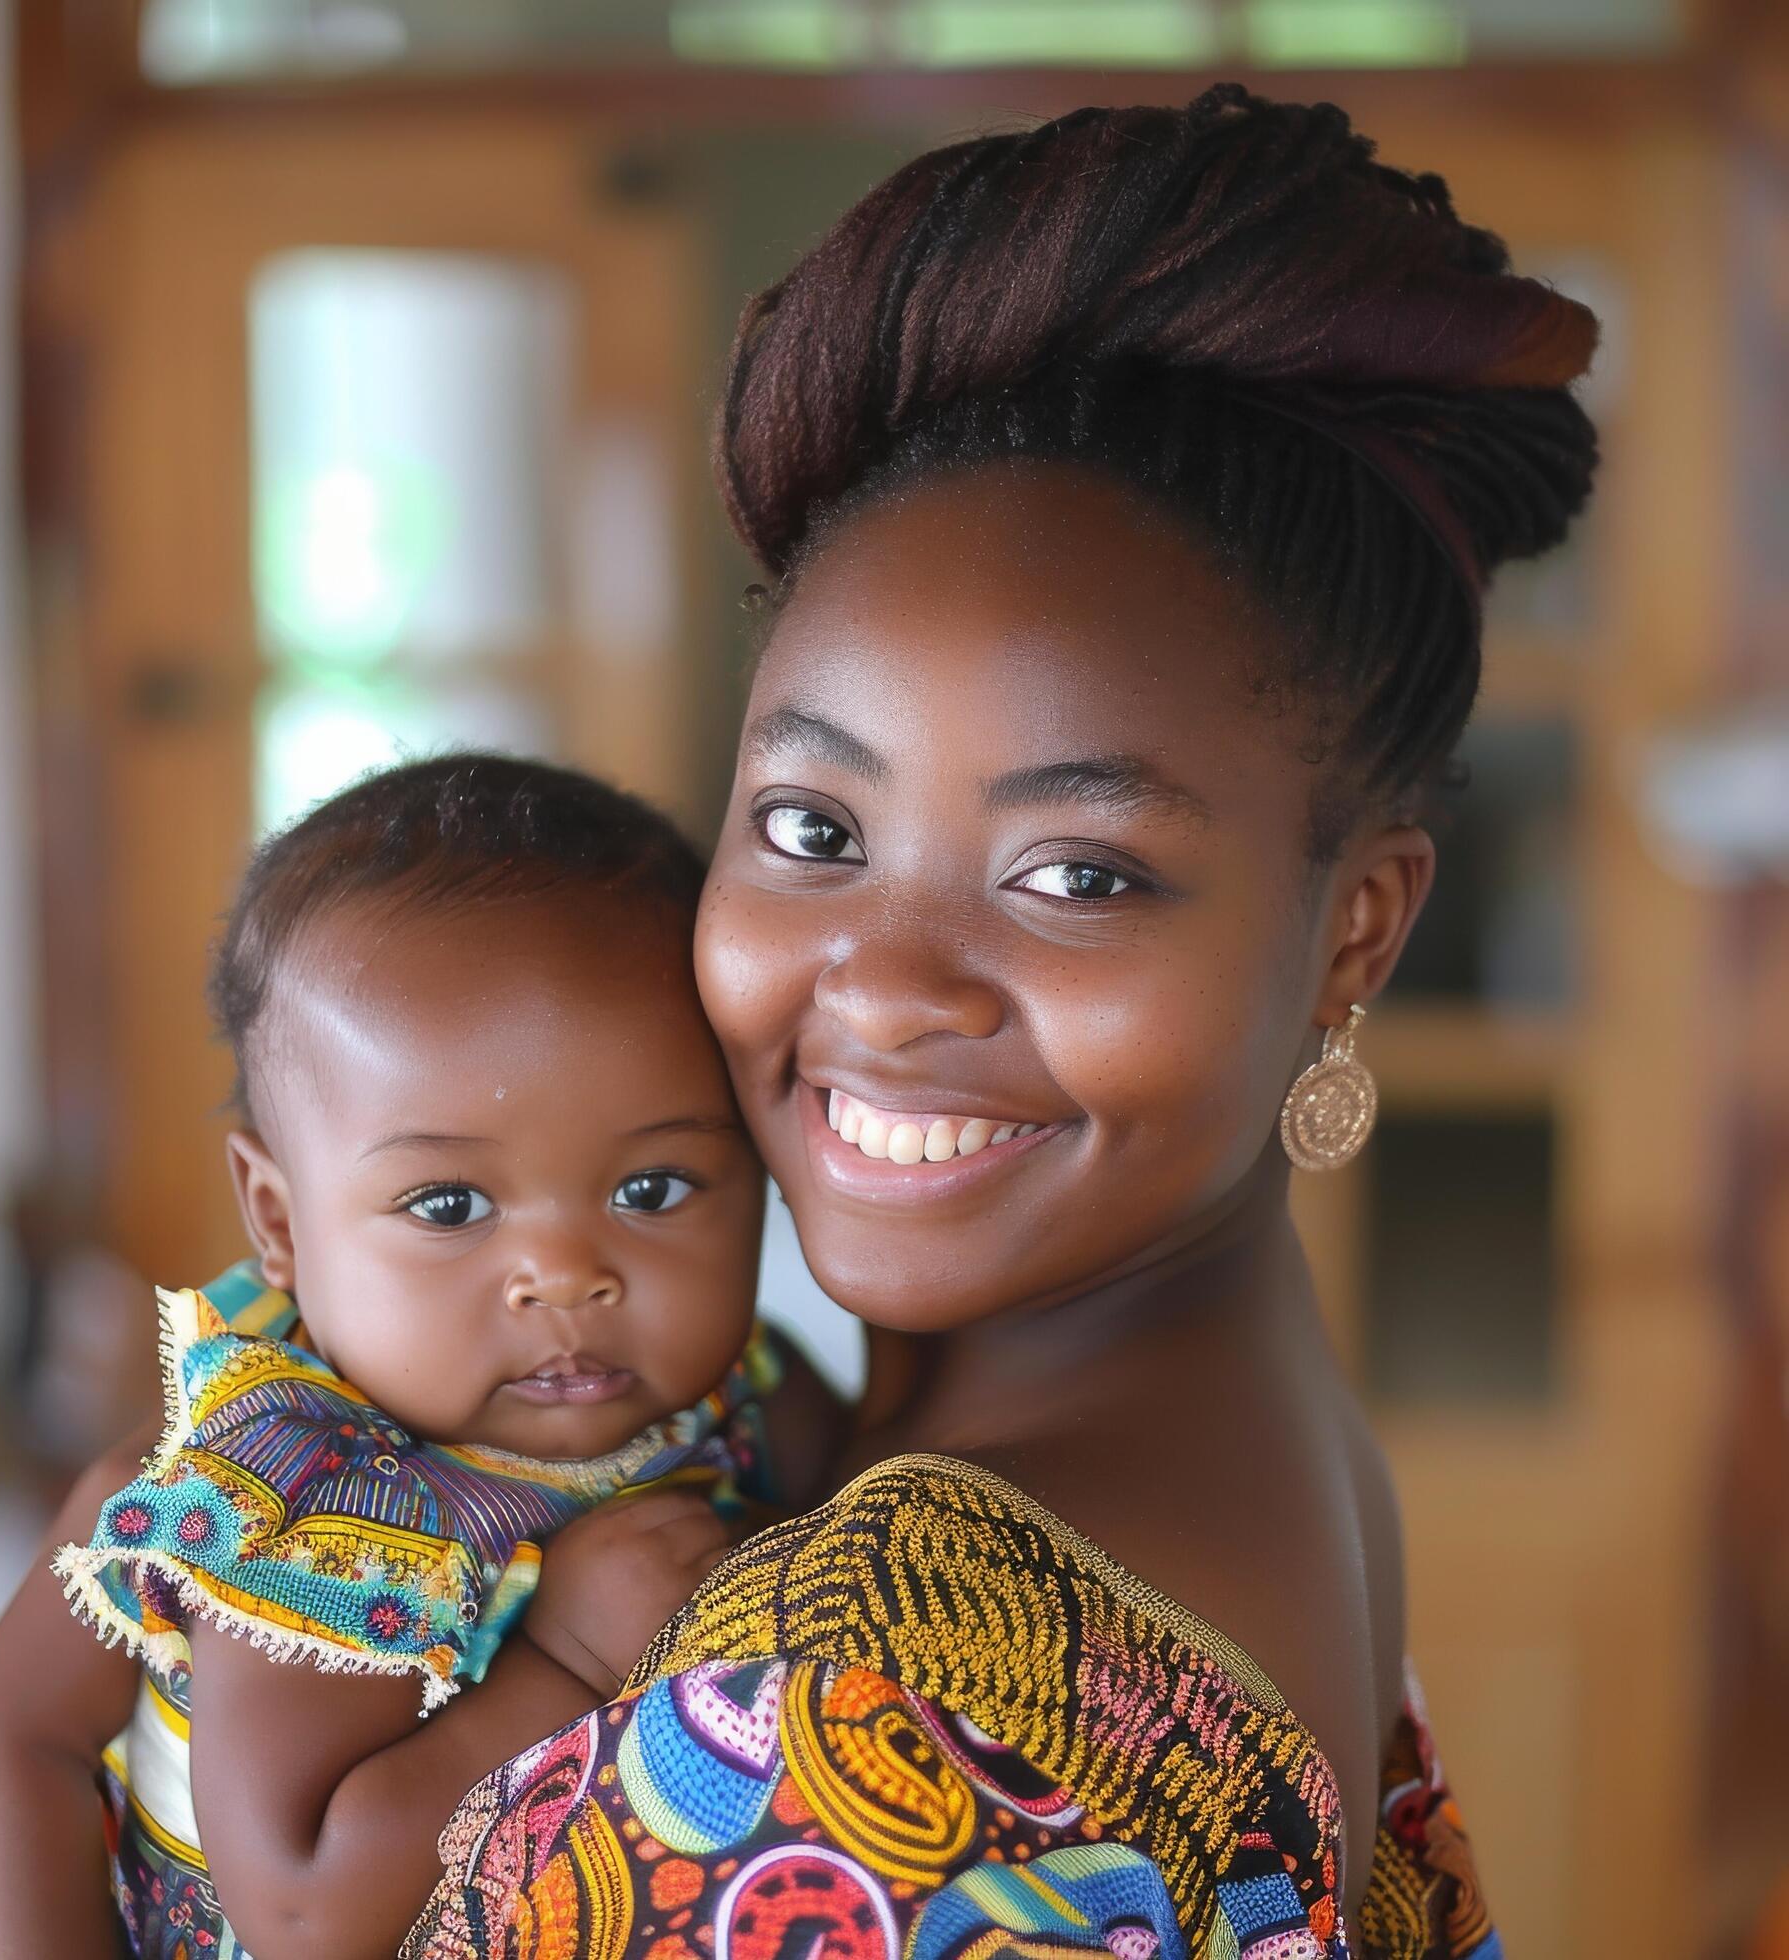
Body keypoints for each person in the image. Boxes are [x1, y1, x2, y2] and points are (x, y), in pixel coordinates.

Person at [407, 86, 1594, 1960]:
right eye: (814, 830)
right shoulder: (1249, 1458)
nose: (879, 982)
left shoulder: (863, 1733)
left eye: (1078, 875)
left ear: (1352, 933)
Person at [0, 755, 841, 1960]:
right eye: (452, 1205)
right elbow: (306, 1907)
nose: (564, 1275)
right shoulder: (311, 1519)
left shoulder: (744, 1386)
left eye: (653, 1185)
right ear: (279, 1218)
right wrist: (564, 1659)